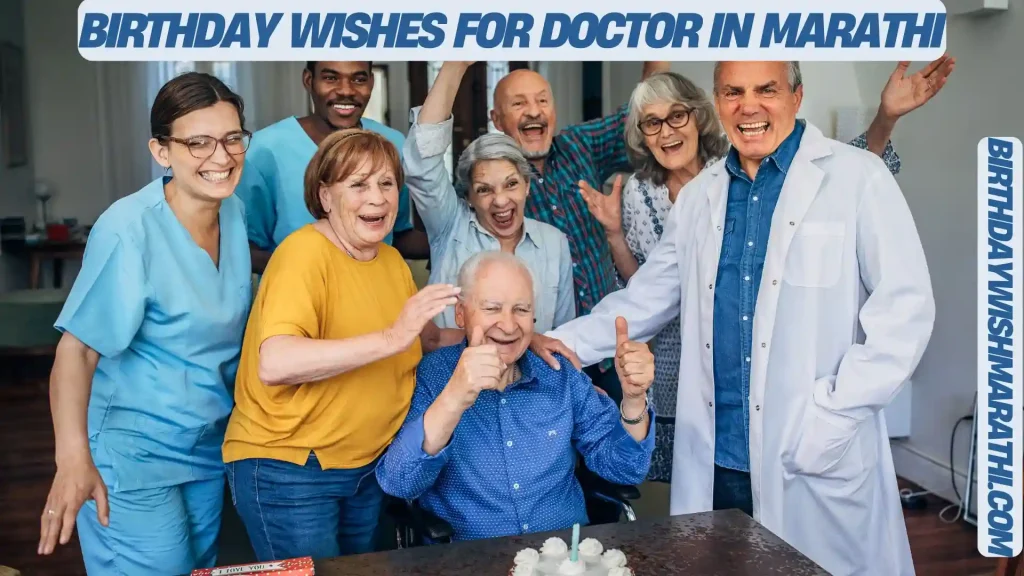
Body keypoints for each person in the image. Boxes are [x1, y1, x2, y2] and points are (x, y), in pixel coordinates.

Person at [543, 61, 936, 576]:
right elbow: (642, 301)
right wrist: (549, 341)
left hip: (809, 446)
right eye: (733, 91)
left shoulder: (857, 177)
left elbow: (905, 311)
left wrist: (835, 416)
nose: (748, 106)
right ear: (717, 101)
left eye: (766, 90)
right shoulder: (701, 196)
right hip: (718, 458)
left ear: (797, 97)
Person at [37, 72, 254, 574]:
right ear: (161, 151)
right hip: (130, 451)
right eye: (198, 143)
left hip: (205, 444)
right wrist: (72, 460)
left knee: (198, 566)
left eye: (232, 138)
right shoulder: (128, 228)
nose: (220, 157)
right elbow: (77, 351)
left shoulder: (234, 211)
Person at [221, 129, 461, 561]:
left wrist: (515, 336)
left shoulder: (390, 262)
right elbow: (275, 361)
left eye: (387, 183)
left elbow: (429, 341)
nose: (378, 197)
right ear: (325, 196)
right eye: (358, 184)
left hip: (367, 468)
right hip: (291, 468)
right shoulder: (302, 254)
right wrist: (391, 338)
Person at [375, 251, 655, 541]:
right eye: (493, 308)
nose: (509, 326)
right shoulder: (433, 376)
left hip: (560, 559)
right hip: (471, 562)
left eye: (521, 310)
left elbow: (626, 469)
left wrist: (634, 400)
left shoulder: (560, 374)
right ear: (461, 313)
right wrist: (454, 397)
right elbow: (399, 483)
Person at [404, 61, 575, 333]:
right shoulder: (451, 228)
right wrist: (455, 65)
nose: (500, 200)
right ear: (469, 196)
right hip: (454, 372)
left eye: (511, 184)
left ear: (527, 185)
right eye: (484, 189)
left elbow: (563, 336)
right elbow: (422, 164)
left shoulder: (554, 243)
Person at [237, 61, 429, 273]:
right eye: (330, 78)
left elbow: (396, 235)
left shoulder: (392, 144)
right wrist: (309, 272)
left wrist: (460, 240)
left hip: (374, 293)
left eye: (359, 79)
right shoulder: (264, 150)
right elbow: (245, 249)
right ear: (309, 81)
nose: (346, 90)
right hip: (300, 296)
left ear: (371, 83)